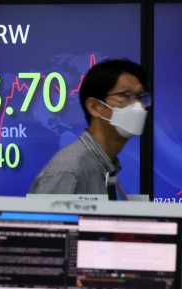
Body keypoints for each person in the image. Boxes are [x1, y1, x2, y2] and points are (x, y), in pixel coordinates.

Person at [29, 59, 150, 194]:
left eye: (140, 97)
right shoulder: (69, 170)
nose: (138, 106)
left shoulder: (104, 166)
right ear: (94, 106)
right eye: (126, 96)